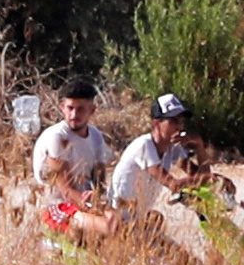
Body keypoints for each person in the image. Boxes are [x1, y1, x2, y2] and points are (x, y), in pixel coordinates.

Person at [30, 78, 118, 246]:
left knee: (125, 221)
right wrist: (92, 205)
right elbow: (66, 190)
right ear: (62, 107)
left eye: (80, 109)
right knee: (108, 225)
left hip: (83, 203)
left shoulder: (96, 137)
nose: (74, 115)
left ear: (92, 110)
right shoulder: (57, 137)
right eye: (70, 108)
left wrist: (97, 196)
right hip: (58, 207)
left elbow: (99, 181)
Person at [106, 93, 209, 233]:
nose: (179, 127)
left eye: (181, 121)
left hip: (136, 220)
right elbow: (173, 185)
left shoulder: (172, 148)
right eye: (173, 121)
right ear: (156, 123)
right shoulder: (144, 145)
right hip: (119, 223)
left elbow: (202, 177)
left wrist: (200, 148)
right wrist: (209, 179)